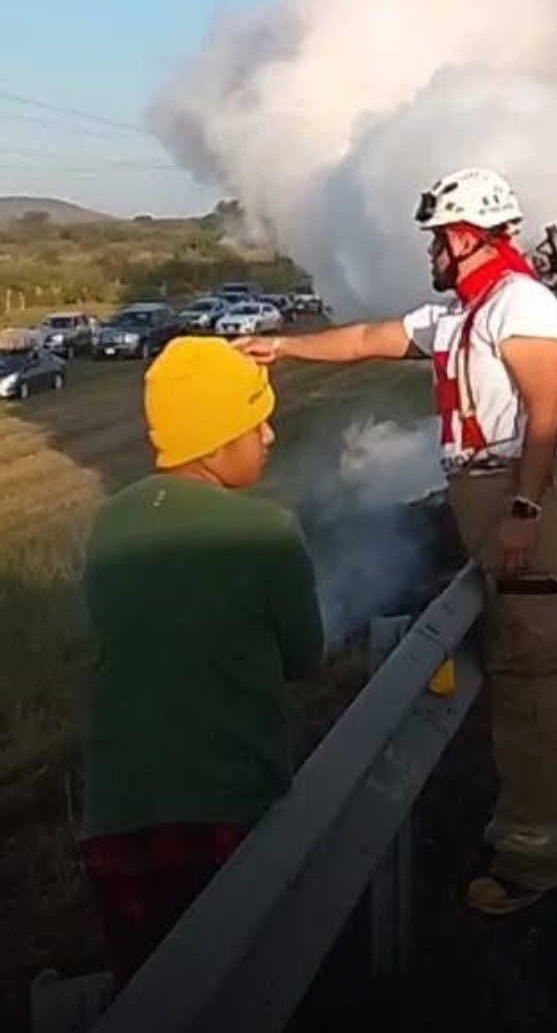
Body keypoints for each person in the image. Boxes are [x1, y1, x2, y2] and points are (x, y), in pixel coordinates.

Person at [238, 165, 557, 917]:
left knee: (528, 671)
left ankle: (532, 861)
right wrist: (283, 349)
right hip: (499, 494)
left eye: (439, 238)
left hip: (523, 495)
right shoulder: (462, 313)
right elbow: (370, 338)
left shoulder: (522, 305)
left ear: (470, 236)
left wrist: (521, 509)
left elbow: (544, 414)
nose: (431, 252)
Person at [79, 337, 324, 985]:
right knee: (244, 989)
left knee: (151, 993)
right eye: (256, 422)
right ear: (216, 443)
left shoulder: (106, 522)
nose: (269, 435)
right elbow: (305, 657)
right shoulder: (266, 530)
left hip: (114, 813)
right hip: (227, 805)